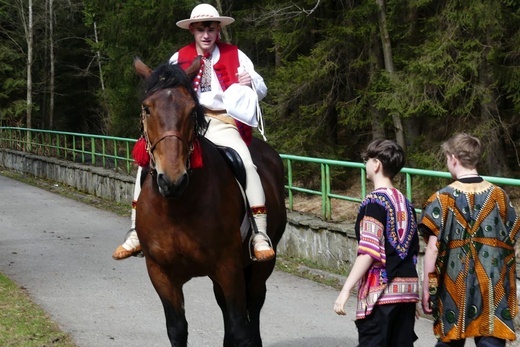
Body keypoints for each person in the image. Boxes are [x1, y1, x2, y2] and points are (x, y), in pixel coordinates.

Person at [112, 3, 274, 262]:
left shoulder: (236, 55)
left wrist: (251, 82)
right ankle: (135, 231)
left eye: (211, 28)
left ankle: (259, 233)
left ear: (218, 29)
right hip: (185, 123)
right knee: (145, 163)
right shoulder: (178, 58)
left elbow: (262, 89)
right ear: (193, 30)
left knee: (245, 162)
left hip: (222, 122)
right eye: (201, 29)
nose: (206, 34)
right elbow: (164, 95)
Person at [419, 133, 520, 347]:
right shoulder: (499, 196)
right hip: (492, 286)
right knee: (491, 340)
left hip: (452, 285)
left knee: (449, 339)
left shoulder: (441, 198)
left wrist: (428, 287)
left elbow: (432, 249)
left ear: (453, 158)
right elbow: (511, 238)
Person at [333, 139, 420, 347]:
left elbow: (368, 252)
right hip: (407, 291)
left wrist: (345, 290)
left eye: (366, 160)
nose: (365, 164)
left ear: (377, 164)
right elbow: (412, 250)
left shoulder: (373, 202)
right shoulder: (406, 203)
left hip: (380, 294)